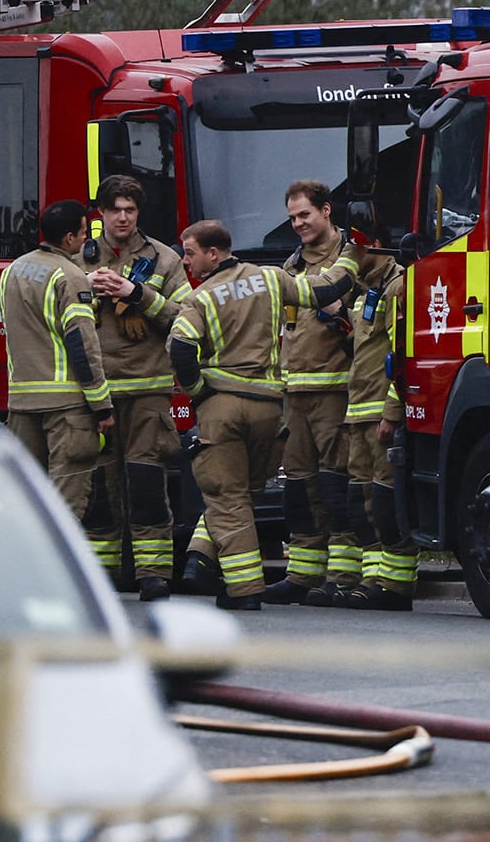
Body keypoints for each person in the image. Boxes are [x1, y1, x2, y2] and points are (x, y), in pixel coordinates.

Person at [167, 219, 357, 610]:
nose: (186, 262)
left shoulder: (200, 298)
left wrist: (198, 391)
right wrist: (354, 253)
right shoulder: (271, 278)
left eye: (190, 253)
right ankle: (201, 558)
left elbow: (181, 348)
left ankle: (243, 590)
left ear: (213, 253)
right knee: (246, 493)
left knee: (227, 498)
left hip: (223, 408)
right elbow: (325, 289)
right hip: (270, 412)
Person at [84, 175, 190, 600]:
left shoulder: (164, 259)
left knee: (147, 485)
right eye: (115, 210)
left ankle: (153, 574)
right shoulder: (78, 257)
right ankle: (101, 577)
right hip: (95, 394)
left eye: (130, 209)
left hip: (148, 391)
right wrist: (88, 291)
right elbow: (53, 315)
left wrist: (138, 294)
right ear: (101, 213)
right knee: (98, 490)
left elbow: (186, 316)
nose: (123, 217)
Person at [1, 201, 113, 536]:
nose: (86, 239)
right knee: (65, 508)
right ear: (68, 238)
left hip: (21, 404)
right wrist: (101, 404)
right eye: (83, 232)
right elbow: (82, 344)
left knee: (25, 499)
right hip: (66, 408)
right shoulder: (69, 276)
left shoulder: (12, 271)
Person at [266, 180, 352, 605]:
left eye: (305, 214)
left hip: (335, 389)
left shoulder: (351, 259)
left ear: (326, 210)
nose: (298, 223)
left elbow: (368, 325)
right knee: (299, 488)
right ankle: (303, 573)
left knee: (337, 485)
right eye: (292, 217)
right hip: (295, 391)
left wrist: (342, 314)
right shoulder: (293, 264)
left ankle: (342, 574)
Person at [332, 222, 414, 610]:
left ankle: (396, 586)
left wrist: (392, 414)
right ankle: (372, 578)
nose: (349, 255)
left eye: (356, 247)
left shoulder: (398, 287)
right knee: (362, 503)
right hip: (360, 414)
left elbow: (403, 356)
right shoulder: (367, 291)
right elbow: (363, 349)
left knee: (384, 500)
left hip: (380, 413)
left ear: (377, 246)